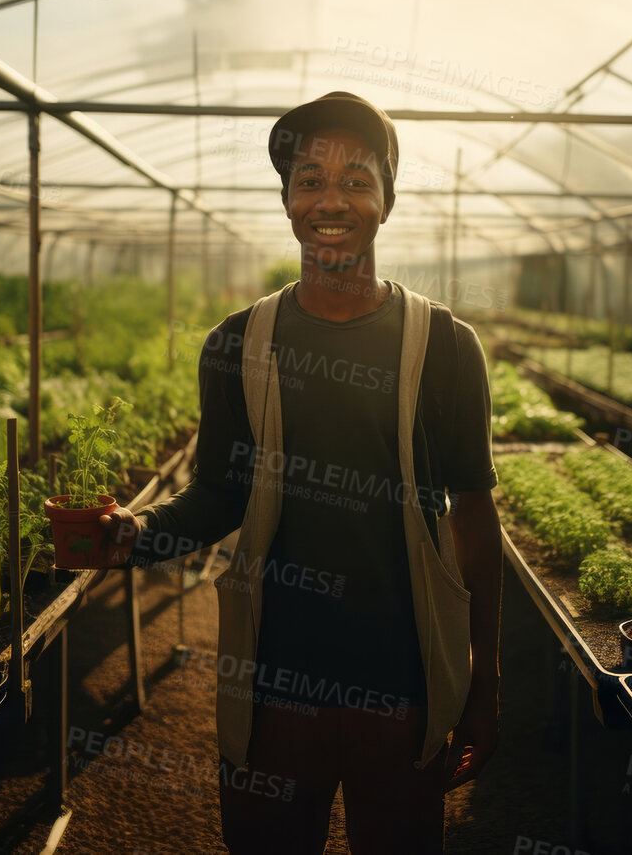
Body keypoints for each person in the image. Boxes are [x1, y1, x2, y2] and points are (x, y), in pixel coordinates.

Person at [96, 90, 502, 854]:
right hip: (272, 682)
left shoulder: (445, 344)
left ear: (386, 197)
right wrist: (138, 533)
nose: (331, 199)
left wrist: (485, 684)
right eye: (309, 178)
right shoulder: (237, 343)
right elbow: (219, 491)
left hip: (405, 683)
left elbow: (474, 517)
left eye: (356, 178)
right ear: (286, 200)